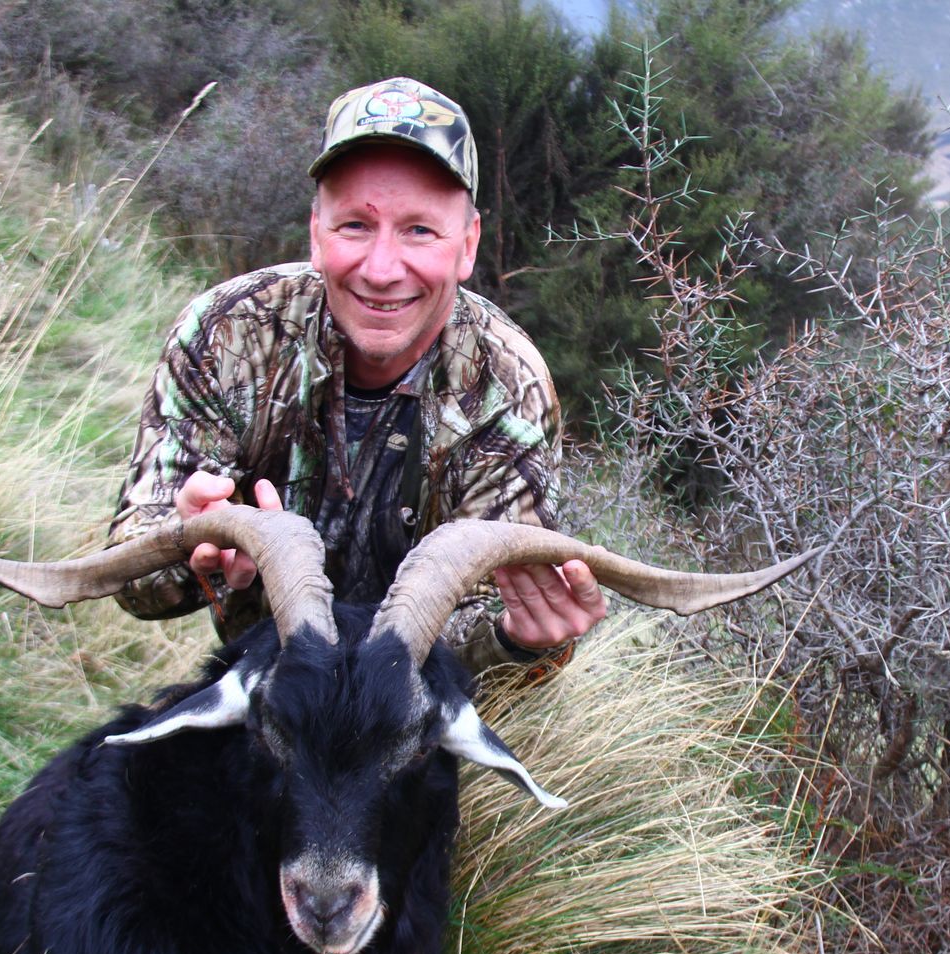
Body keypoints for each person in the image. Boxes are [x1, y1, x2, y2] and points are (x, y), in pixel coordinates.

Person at [108, 76, 604, 673]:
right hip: (264, 677)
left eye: (420, 230)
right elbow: (131, 576)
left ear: (467, 245)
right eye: (354, 226)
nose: (382, 270)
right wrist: (186, 548)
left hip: (414, 697)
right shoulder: (227, 333)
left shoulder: (506, 387)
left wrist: (518, 639)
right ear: (316, 234)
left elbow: (492, 634)